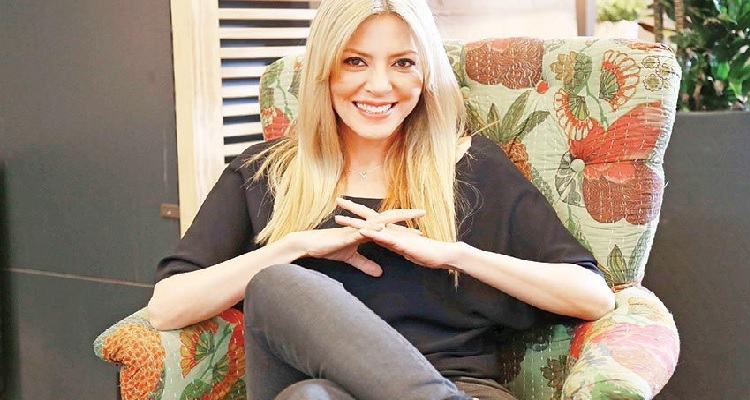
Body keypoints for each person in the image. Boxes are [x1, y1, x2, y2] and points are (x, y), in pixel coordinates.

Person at [147, 0, 616, 398]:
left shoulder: (474, 167)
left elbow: (592, 297)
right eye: (355, 61)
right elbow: (167, 307)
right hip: (324, 391)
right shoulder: (262, 172)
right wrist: (293, 247)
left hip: (457, 383)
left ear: (426, 74)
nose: (378, 85)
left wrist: (453, 254)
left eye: (403, 63)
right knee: (280, 302)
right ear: (325, 70)